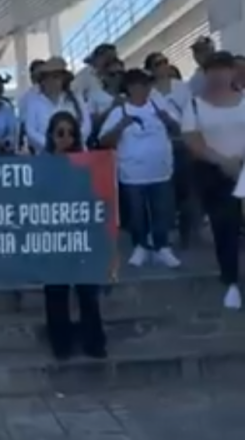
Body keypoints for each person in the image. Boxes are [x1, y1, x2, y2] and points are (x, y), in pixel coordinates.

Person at [99, 69, 181, 268]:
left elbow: (178, 129)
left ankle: (162, 247)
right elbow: (103, 140)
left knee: (162, 211)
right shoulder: (120, 112)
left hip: (161, 172)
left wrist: (167, 119)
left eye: (145, 84)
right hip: (132, 174)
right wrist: (120, 126)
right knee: (137, 214)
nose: (141, 89)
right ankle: (140, 247)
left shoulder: (160, 105)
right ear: (128, 88)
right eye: (136, 85)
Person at [42, 112, 107, 360]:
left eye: (71, 133)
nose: (66, 138)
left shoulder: (87, 163)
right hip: (52, 235)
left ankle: (94, 341)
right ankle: (61, 343)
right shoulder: (41, 165)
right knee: (56, 292)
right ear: (51, 136)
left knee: (88, 292)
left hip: (82, 234)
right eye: (60, 133)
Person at [185, 51, 245, 309]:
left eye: (225, 68)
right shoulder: (195, 105)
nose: (220, 74)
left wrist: (239, 160)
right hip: (214, 175)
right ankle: (230, 279)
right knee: (225, 228)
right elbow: (193, 140)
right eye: (214, 69)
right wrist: (223, 161)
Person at [146, 52, 198, 246]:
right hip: (159, 146)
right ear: (151, 69)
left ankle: (186, 233)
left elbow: (191, 113)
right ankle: (166, 233)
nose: (163, 66)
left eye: (165, 62)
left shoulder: (182, 88)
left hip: (181, 143)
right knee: (165, 191)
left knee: (185, 190)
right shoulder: (149, 92)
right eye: (158, 63)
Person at [24, 57, 92, 154]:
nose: (57, 81)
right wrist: (52, 145)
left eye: (59, 77)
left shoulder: (76, 99)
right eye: (54, 77)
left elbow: (86, 126)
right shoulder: (34, 102)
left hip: (77, 156)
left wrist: (71, 144)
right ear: (43, 80)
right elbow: (30, 131)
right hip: (46, 157)